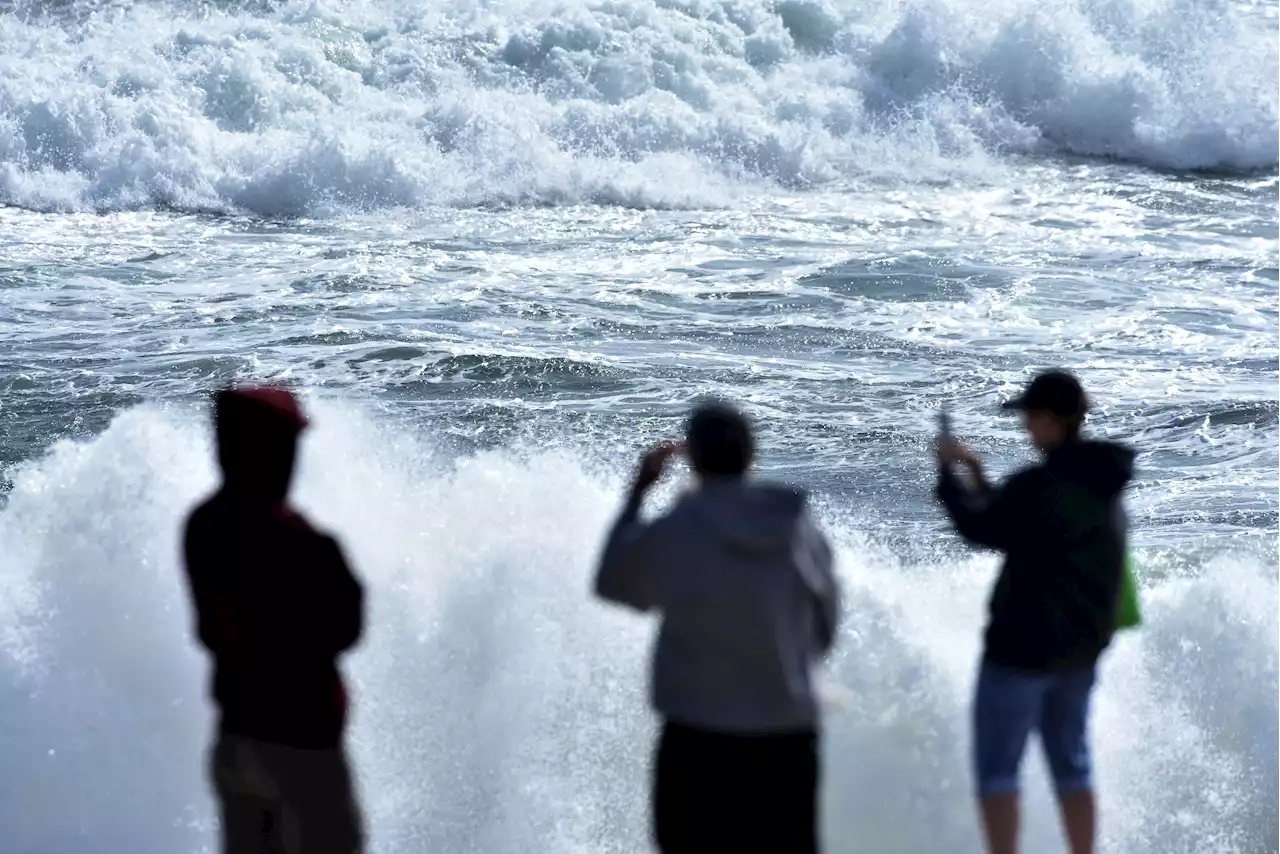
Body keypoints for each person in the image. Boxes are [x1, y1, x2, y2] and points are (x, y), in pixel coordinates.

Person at [594, 400, 840, 854]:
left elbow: (612, 581)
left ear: (692, 458)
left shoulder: (682, 526)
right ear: (752, 455)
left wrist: (636, 495)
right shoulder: (795, 522)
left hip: (699, 737)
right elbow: (825, 618)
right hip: (786, 732)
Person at [936, 370, 1135, 854]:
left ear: (1051, 419)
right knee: (1072, 765)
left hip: (1021, 651)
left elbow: (982, 528)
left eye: (1030, 417)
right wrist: (978, 474)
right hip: (1081, 649)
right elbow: (1018, 523)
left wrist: (947, 475)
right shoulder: (1103, 484)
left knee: (998, 772)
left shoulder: (1041, 485)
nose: (1025, 427)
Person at [182, 386, 366, 854]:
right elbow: (346, 628)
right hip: (302, 743)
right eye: (285, 446)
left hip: (239, 734)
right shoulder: (301, 541)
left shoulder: (202, 524)